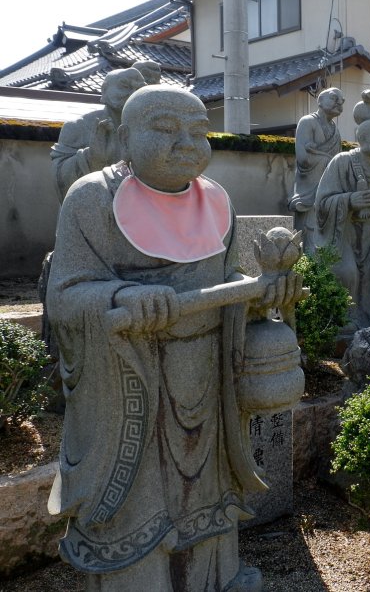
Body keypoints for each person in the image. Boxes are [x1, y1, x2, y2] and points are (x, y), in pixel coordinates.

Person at [47, 85, 302, 591]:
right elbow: (64, 296)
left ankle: (216, 578)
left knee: (208, 494)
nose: (186, 143)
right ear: (124, 137)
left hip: (206, 376)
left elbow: (228, 282)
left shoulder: (215, 199)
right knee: (140, 504)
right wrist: (120, 295)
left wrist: (262, 292)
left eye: (198, 131)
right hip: (130, 382)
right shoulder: (92, 198)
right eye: (165, 129)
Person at [314, 117, 370, 328]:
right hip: (344, 232)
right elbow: (321, 204)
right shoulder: (342, 162)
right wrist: (350, 200)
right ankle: (344, 323)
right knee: (346, 273)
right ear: (363, 139)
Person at [50, 67, 146, 202]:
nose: (133, 93)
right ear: (104, 90)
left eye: (140, 88)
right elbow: (59, 179)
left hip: (140, 207)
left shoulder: (149, 128)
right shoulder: (78, 127)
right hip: (92, 206)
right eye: (125, 86)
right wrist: (92, 158)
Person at [288, 88, 344, 247]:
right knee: (309, 241)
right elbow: (303, 159)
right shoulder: (307, 122)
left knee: (330, 240)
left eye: (342, 101)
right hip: (310, 190)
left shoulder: (335, 130)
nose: (339, 103)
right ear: (320, 101)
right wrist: (329, 161)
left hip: (330, 192)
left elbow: (338, 161)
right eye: (334, 98)